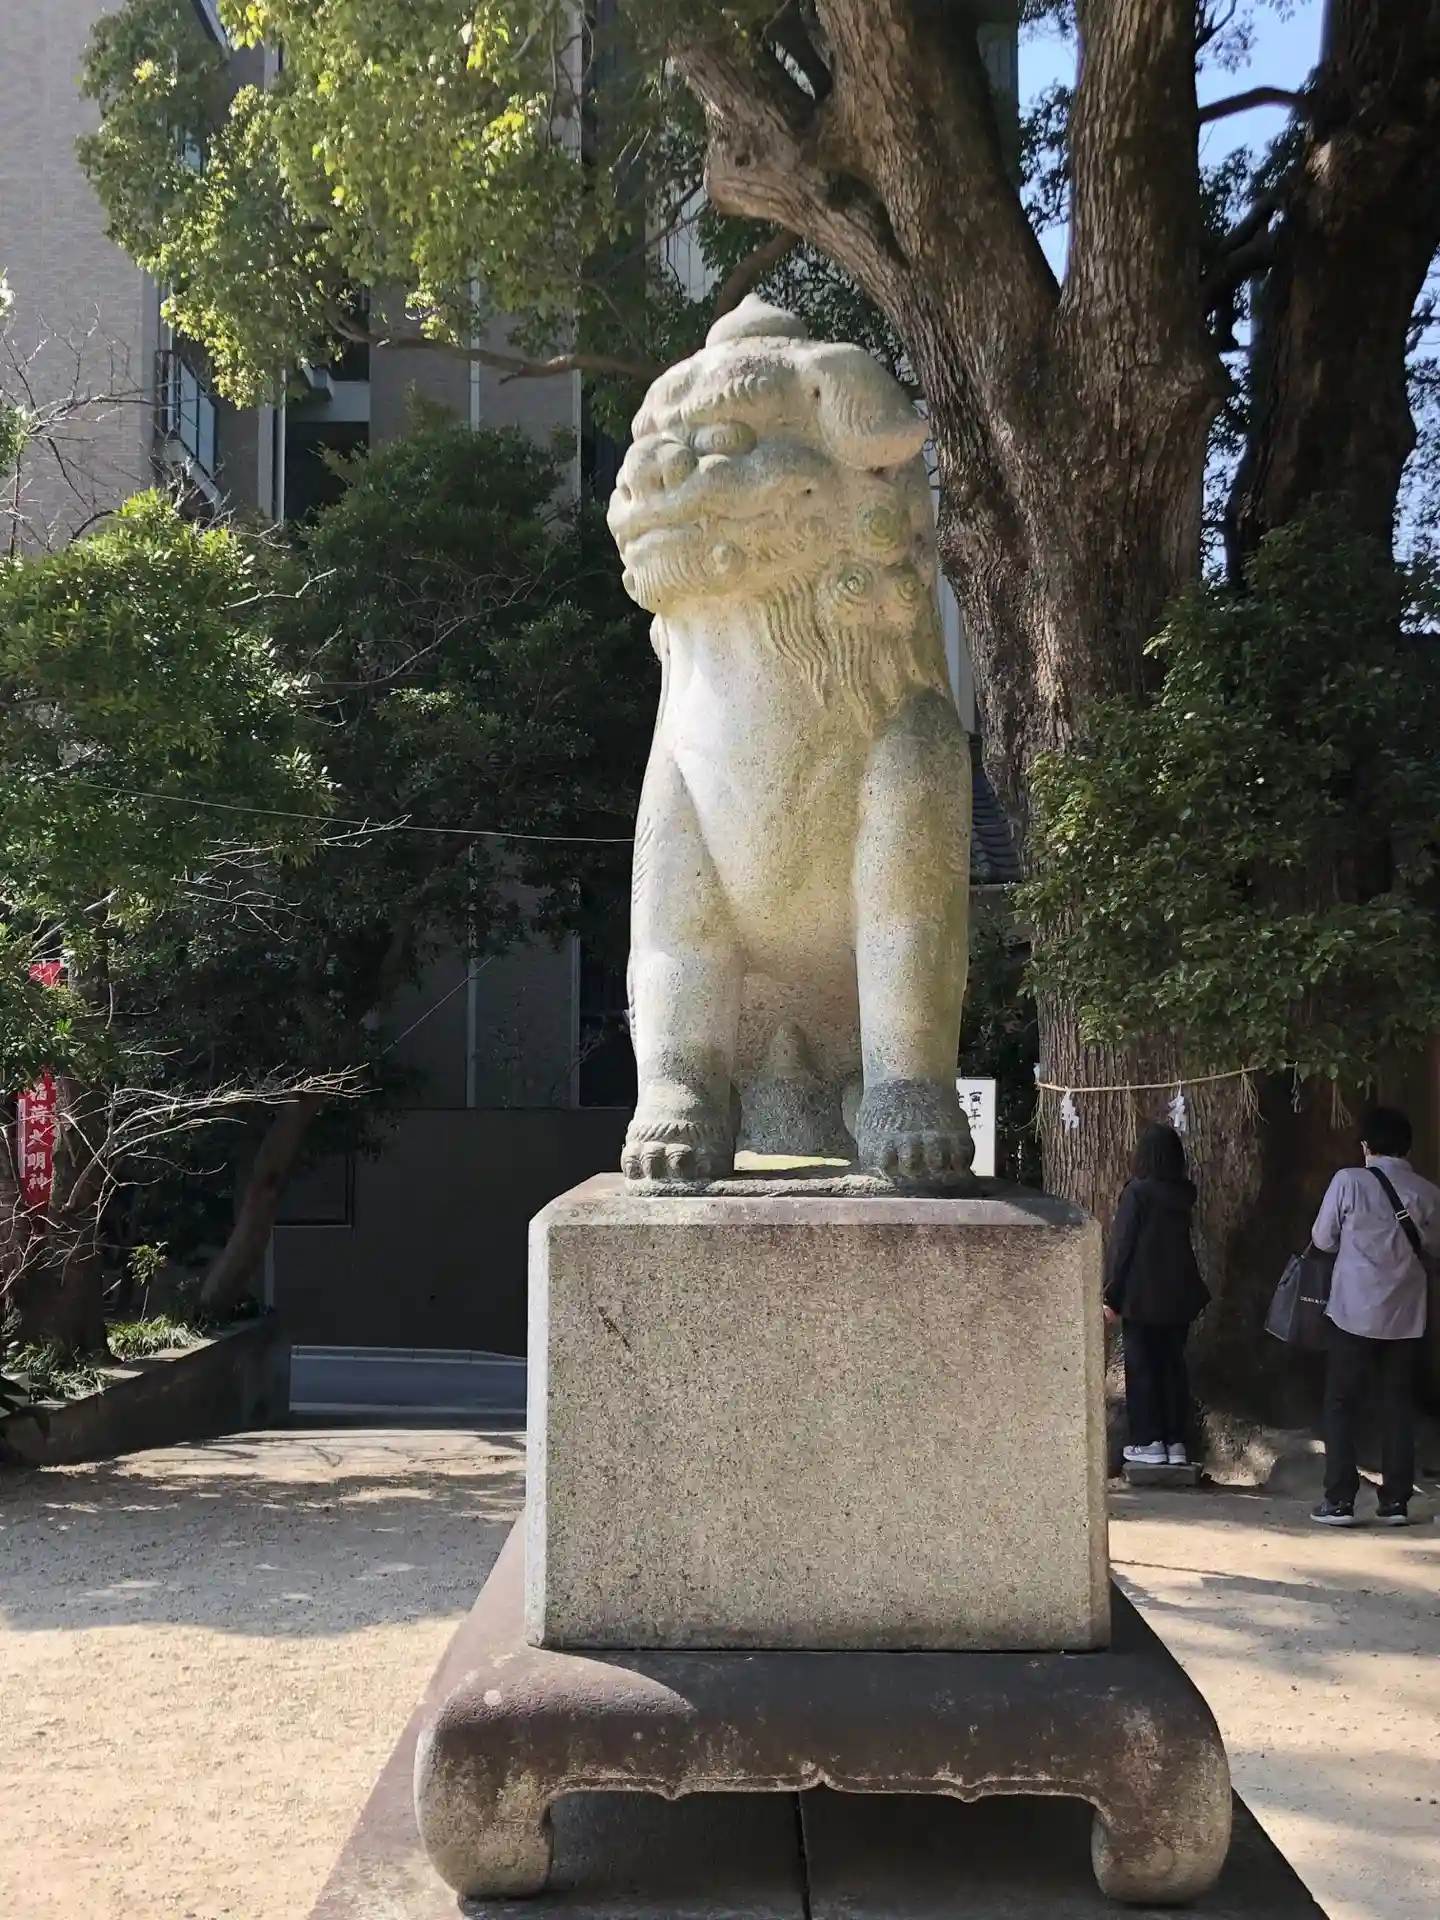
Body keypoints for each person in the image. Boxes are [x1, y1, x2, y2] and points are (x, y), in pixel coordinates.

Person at [1309, 1106, 1440, 1528]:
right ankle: (1396, 1502)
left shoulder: (1348, 1181)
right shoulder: (1428, 1192)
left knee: (1341, 1404)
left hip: (1352, 1312)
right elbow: (1435, 1247)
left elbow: (1322, 1239)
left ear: (1366, 1146)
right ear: (1408, 1147)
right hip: (1405, 1316)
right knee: (1397, 1406)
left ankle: (1339, 1501)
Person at [1104, 1122, 1210, 1467]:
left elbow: (1123, 1246)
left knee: (1143, 1368)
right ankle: (1175, 1442)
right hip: (1180, 1295)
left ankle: (1148, 1441)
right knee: (1173, 1367)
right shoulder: (1183, 1195)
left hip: (1142, 1295)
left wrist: (1110, 1295)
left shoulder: (1137, 1193)